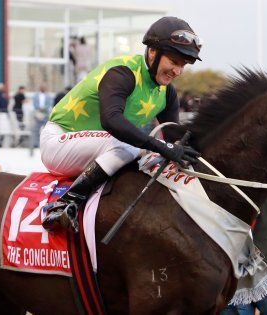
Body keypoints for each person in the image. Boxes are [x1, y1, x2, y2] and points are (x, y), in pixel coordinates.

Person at [40, 16, 202, 232]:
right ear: (153, 52)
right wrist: (161, 146)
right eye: (173, 62)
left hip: (100, 151)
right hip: (58, 143)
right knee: (134, 146)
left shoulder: (168, 93)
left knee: (150, 157)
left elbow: (175, 140)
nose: (178, 71)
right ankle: (66, 203)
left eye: (183, 65)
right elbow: (112, 121)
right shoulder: (122, 72)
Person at [32, 83, 53, 148]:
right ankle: (36, 143)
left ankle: (46, 144)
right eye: (42, 87)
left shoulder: (48, 96)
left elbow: (50, 104)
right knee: (36, 129)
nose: (43, 88)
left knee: (46, 129)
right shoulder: (35, 96)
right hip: (38, 113)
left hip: (46, 113)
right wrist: (39, 108)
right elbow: (34, 104)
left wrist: (44, 108)